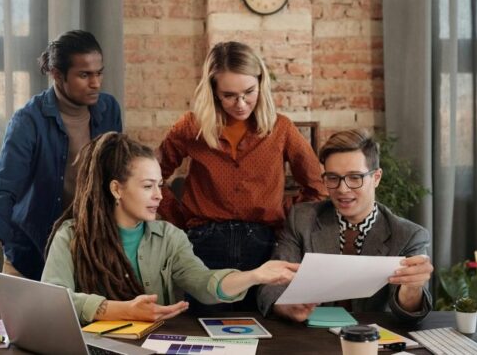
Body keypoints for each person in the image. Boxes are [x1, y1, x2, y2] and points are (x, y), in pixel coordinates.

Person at [42, 133, 298, 323]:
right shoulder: (72, 236)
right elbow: (53, 301)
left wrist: (255, 275)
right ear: (116, 189)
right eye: (147, 186)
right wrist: (120, 310)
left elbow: (204, 283)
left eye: (160, 185)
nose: (159, 196)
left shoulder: (170, 237)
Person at [157, 41, 326, 312]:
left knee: (263, 333)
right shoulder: (190, 128)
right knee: (205, 332)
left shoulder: (281, 129)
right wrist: (181, 220)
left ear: (261, 83)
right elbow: (154, 178)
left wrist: (281, 212)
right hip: (203, 247)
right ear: (213, 91)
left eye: (249, 92)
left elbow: (318, 187)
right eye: (229, 95)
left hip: (263, 246)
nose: (241, 103)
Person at [0, 30, 122, 285]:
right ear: (57, 74)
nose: (96, 83)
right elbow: (2, 194)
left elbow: (117, 177)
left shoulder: (109, 110)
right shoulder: (28, 121)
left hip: (90, 257)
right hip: (31, 258)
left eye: (99, 73)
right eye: (84, 75)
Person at [257, 129, 435, 323]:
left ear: (376, 178)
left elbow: (408, 314)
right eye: (333, 178)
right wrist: (285, 306)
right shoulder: (302, 219)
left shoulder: (409, 235)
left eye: (354, 178)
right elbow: (270, 286)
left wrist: (412, 288)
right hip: (311, 339)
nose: (343, 189)